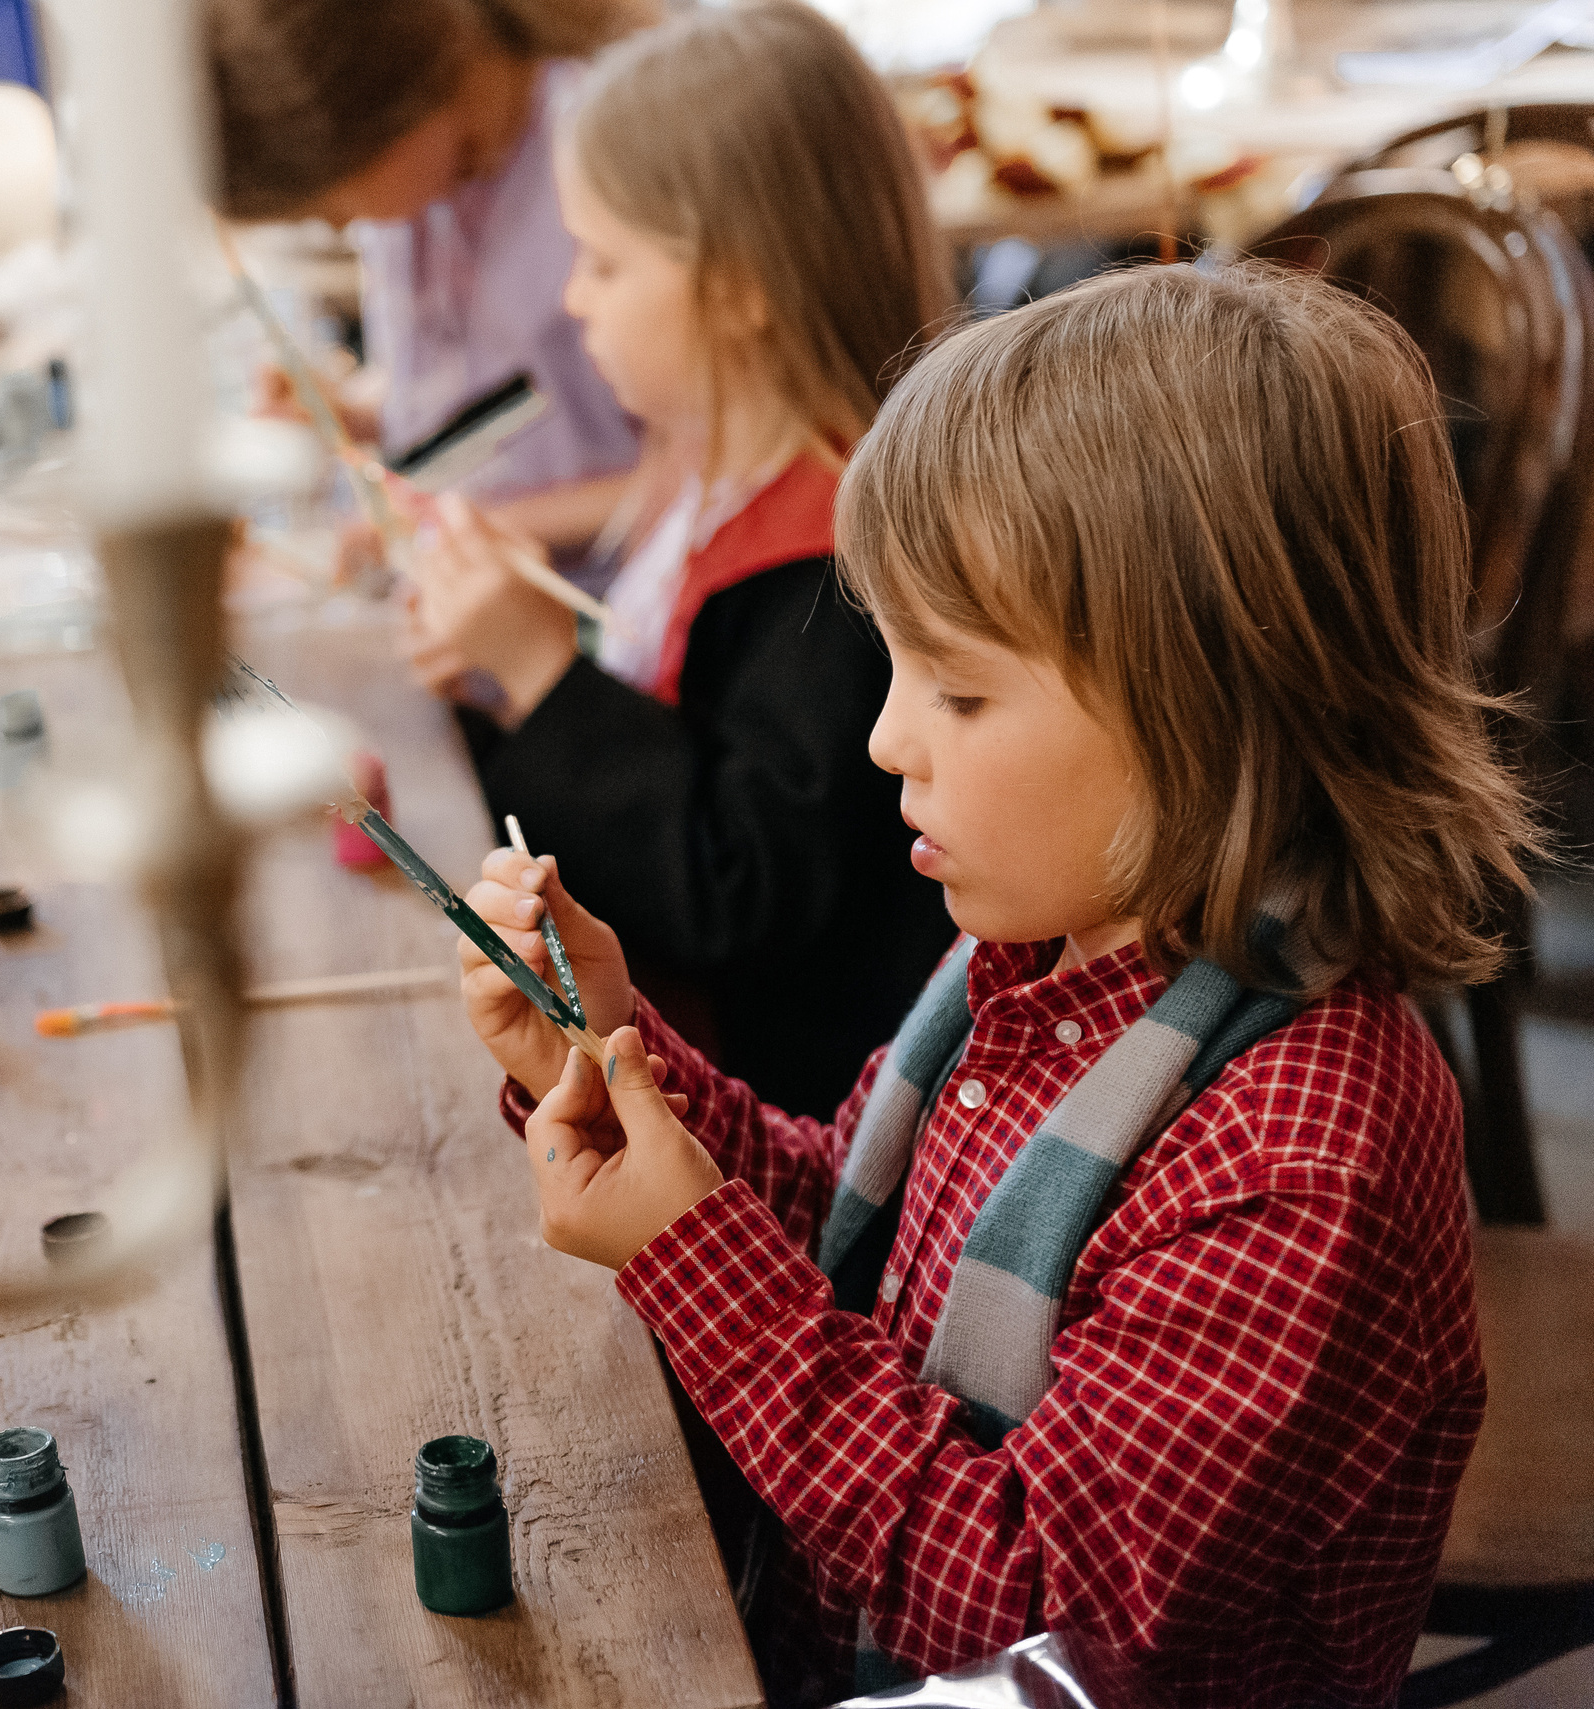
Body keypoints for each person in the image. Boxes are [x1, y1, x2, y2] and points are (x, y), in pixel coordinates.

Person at [453, 262, 1528, 1706]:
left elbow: (1030, 1617)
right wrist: (608, 1050)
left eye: (956, 690)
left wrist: (692, 1261)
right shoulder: (1040, 952)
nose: (887, 739)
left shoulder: (1299, 1157)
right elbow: (853, 1237)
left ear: (1212, 709)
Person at [406, 2, 956, 1114]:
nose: (573, 299)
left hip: (784, 1121)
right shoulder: (705, 476)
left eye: (604, 263)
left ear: (740, 285)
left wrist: (542, 679)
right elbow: (674, 726)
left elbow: (739, 885)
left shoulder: (837, 558)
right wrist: (494, 699)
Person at [208, 0, 650, 567]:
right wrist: (352, 412)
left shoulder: (602, 157)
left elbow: (703, 478)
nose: (341, 226)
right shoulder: (424, 195)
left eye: (329, 208)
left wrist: (469, 528)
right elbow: (508, 391)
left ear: (386, 119)